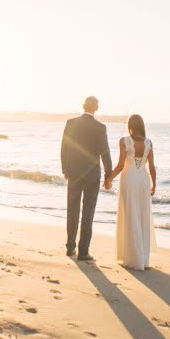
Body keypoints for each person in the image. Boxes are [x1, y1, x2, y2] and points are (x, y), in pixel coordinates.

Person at [61, 96, 112, 261]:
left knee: (72, 210)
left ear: (83, 106)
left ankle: (70, 247)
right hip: (92, 175)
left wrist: (65, 169)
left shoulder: (71, 123)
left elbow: (64, 148)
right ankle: (83, 252)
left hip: (74, 172)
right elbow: (105, 152)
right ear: (96, 108)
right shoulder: (100, 127)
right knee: (88, 212)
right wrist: (108, 175)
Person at [105, 114, 157, 270]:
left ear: (130, 125)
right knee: (142, 216)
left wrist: (109, 178)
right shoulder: (149, 143)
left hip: (129, 180)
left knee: (130, 216)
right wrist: (154, 184)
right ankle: (143, 259)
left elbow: (121, 165)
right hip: (143, 180)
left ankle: (132, 258)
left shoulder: (125, 141)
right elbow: (152, 167)